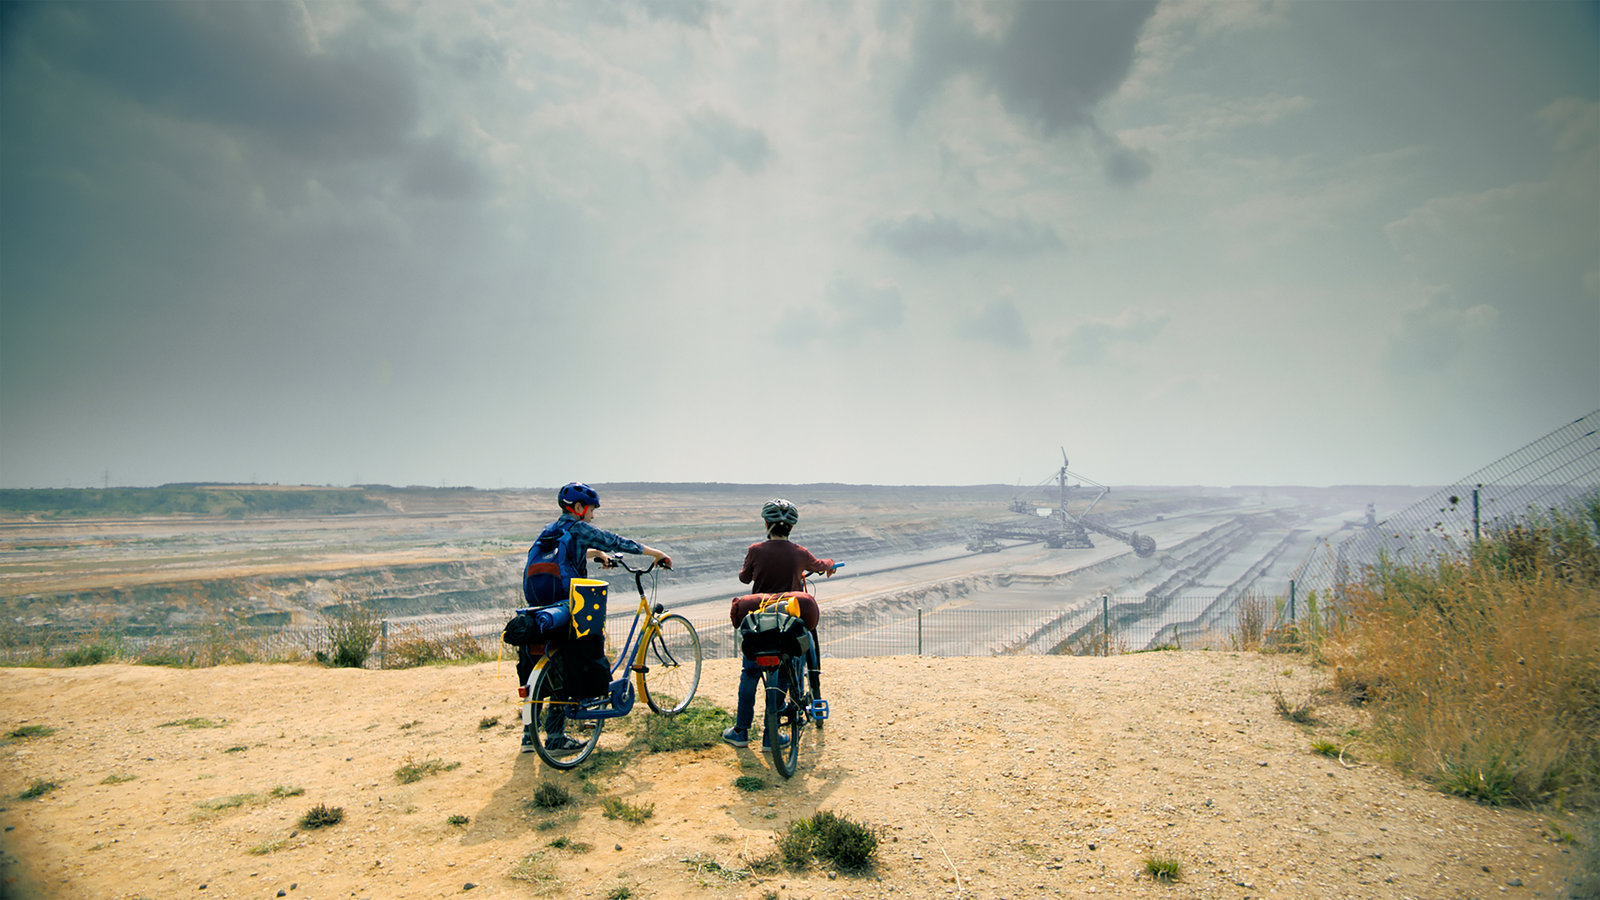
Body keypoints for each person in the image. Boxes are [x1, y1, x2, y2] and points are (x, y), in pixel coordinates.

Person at [521, 482, 672, 753]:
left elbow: (575, 551)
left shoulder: (550, 530)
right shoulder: (579, 528)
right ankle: (556, 738)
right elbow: (615, 541)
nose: (593, 514)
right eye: (591, 509)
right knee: (573, 661)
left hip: (540, 605)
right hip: (569, 602)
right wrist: (656, 553)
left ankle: (528, 736)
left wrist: (596, 555)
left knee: (547, 661)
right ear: (578, 508)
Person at [723, 498, 835, 749]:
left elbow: (744, 578)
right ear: (791, 528)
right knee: (785, 673)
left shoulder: (755, 550)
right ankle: (771, 736)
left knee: (750, 674)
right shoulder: (800, 553)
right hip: (788, 624)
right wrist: (828, 564)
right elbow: (819, 566)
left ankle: (740, 731)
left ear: (766, 523)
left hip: (759, 624)